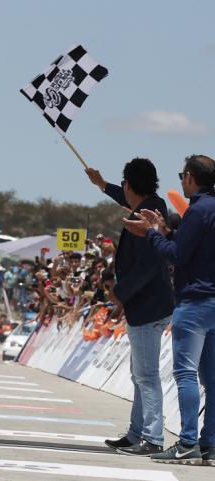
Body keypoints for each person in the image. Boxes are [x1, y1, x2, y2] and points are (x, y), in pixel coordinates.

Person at [124, 154, 215, 466]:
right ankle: (209, 444)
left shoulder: (197, 209)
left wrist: (150, 233)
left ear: (190, 177)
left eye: (182, 175)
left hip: (195, 302)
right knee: (212, 378)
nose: (181, 180)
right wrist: (166, 230)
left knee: (186, 373)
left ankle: (188, 441)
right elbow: (191, 246)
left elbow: (176, 255)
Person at [86, 158, 174, 456]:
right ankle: (137, 432)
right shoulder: (153, 204)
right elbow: (127, 198)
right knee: (140, 373)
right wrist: (102, 185)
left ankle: (152, 437)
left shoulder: (147, 213)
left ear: (129, 185)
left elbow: (149, 265)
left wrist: (119, 293)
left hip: (148, 305)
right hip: (148, 303)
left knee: (146, 375)